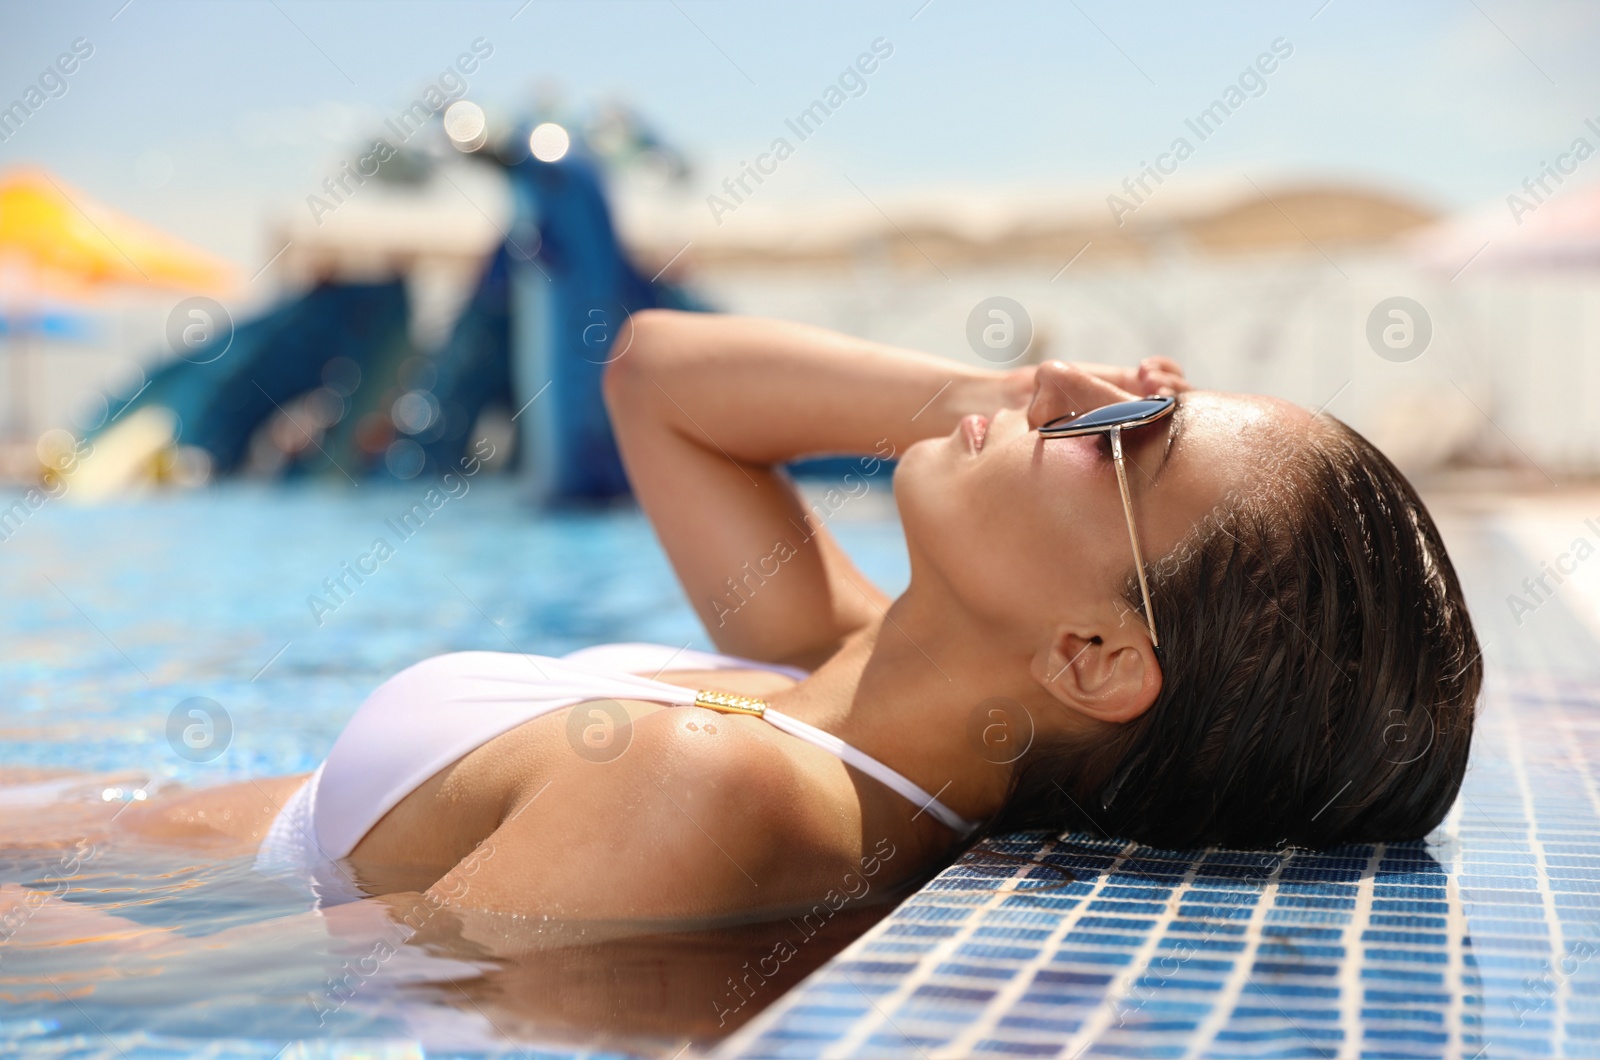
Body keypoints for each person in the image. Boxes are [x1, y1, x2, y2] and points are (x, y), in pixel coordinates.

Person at [124, 310, 1481, 925]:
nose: (1074, 379)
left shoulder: (716, 792)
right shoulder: (842, 667)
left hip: (100, 908)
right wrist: (1004, 395)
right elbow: (657, 378)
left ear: (1094, 656)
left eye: (1130, 428)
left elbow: (316, 1000)